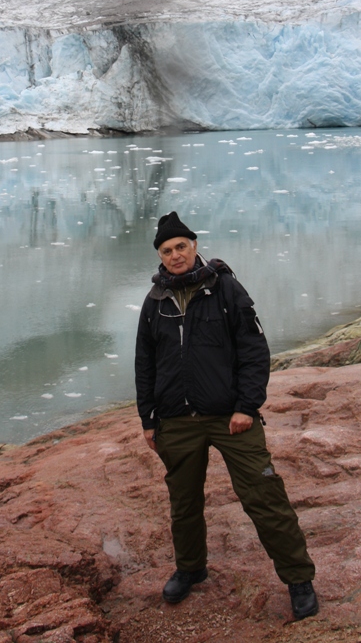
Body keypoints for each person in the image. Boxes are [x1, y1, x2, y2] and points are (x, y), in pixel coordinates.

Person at [134, 211, 318, 620]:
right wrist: (148, 419)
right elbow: (144, 363)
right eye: (167, 250)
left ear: (194, 246)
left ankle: (298, 579)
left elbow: (254, 351)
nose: (176, 255)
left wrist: (246, 407)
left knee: (265, 496)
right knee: (183, 503)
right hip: (176, 420)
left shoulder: (225, 288)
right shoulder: (155, 302)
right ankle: (191, 569)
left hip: (229, 417)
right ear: (160, 257)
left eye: (181, 246)